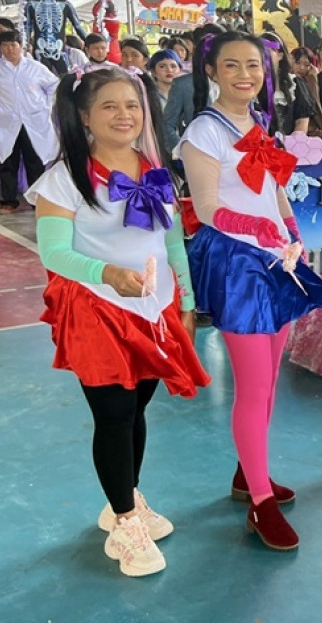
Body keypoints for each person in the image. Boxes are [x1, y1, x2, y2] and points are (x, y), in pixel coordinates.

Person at [26, 65, 208, 577]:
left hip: (155, 309)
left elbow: (172, 241)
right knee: (114, 414)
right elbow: (54, 253)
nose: (124, 115)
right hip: (97, 311)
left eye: (131, 105)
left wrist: (187, 302)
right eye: (109, 106)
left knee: (138, 408)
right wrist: (106, 274)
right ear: (84, 116)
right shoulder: (64, 179)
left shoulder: (155, 169)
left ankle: (123, 498)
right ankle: (125, 523)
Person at [178, 31, 322, 550]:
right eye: (232, 65)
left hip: (275, 260)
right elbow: (205, 208)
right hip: (236, 264)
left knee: (267, 383)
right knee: (254, 385)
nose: (245, 74)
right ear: (212, 71)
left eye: (253, 65)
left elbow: (274, 191)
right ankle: (261, 504)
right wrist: (259, 229)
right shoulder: (204, 131)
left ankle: (250, 476)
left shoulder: (259, 123)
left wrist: (292, 231)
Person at [0, 29, 59, 212]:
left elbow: (54, 85)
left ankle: (37, 199)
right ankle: (9, 200)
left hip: (33, 121)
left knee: (34, 160)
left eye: (13, 45)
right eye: (5, 45)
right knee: (8, 161)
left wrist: (46, 106)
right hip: (8, 123)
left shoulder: (35, 67)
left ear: (21, 46)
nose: (9, 49)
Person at [24, 0, 86, 76]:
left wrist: (90, 41)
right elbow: (27, 28)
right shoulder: (30, 4)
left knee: (66, 78)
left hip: (59, 49)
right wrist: (25, 46)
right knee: (41, 78)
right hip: (40, 49)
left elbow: (77, 25)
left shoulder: (65, 4)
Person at [259, 31, 317, 136]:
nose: (264, 54)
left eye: (269, 50)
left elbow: (302, 122)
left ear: (280, 55)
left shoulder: (295, 84)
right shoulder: (251, 84)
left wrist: (291, 143)